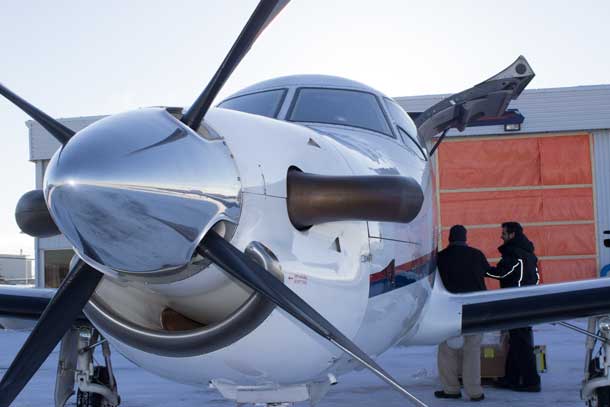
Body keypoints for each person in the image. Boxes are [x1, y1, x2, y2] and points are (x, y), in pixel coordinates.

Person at [435, 225, 489, 402]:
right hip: (475, 309)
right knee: (472, 350)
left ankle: (451, 389)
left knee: (447, 350)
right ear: (465, 238)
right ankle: (475, 392)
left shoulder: (440, 257)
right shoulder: (476, 255)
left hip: (448, 309)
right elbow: (488, 273)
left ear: (450, 238)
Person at [486, 221, 541, 392]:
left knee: (521, 343)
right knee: (517, 341)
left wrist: (480, 268)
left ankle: (531, 382)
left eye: (504, 233)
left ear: (512, 234)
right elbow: (537, 278)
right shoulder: (529, 254)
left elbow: (501, 273)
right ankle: (510, 378)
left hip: (516, 303)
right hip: (526, 301)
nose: (501, 236)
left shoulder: (514, 254)